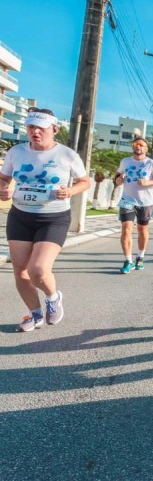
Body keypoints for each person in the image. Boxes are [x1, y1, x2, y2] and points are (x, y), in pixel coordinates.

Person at [0, 108, 91, 332]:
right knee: (20, 270)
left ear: (54, 129)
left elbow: (84, 181)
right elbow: (4, 177)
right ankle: (35, 314)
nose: (35, 132)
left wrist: (70, 191)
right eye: (31, 127)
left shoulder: (67, 155)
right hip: (20, 215)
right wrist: (3, 188)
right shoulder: (16, 152)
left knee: (38, 270)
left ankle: (53, 297)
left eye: (41, 127)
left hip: (54, 217)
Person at [114, 136, 153, 274]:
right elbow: (117, 176)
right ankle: (128, 261)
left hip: (145, 202)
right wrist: (118, 180)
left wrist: (148, 183)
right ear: (133, 146)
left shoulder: (151, 164)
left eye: (141, 145)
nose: (138, 147)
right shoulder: (125, 161)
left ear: (146, 148)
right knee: (126, 229)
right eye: (136, 144)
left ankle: (140, 257)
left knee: (142, 230)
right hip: (127, 200)